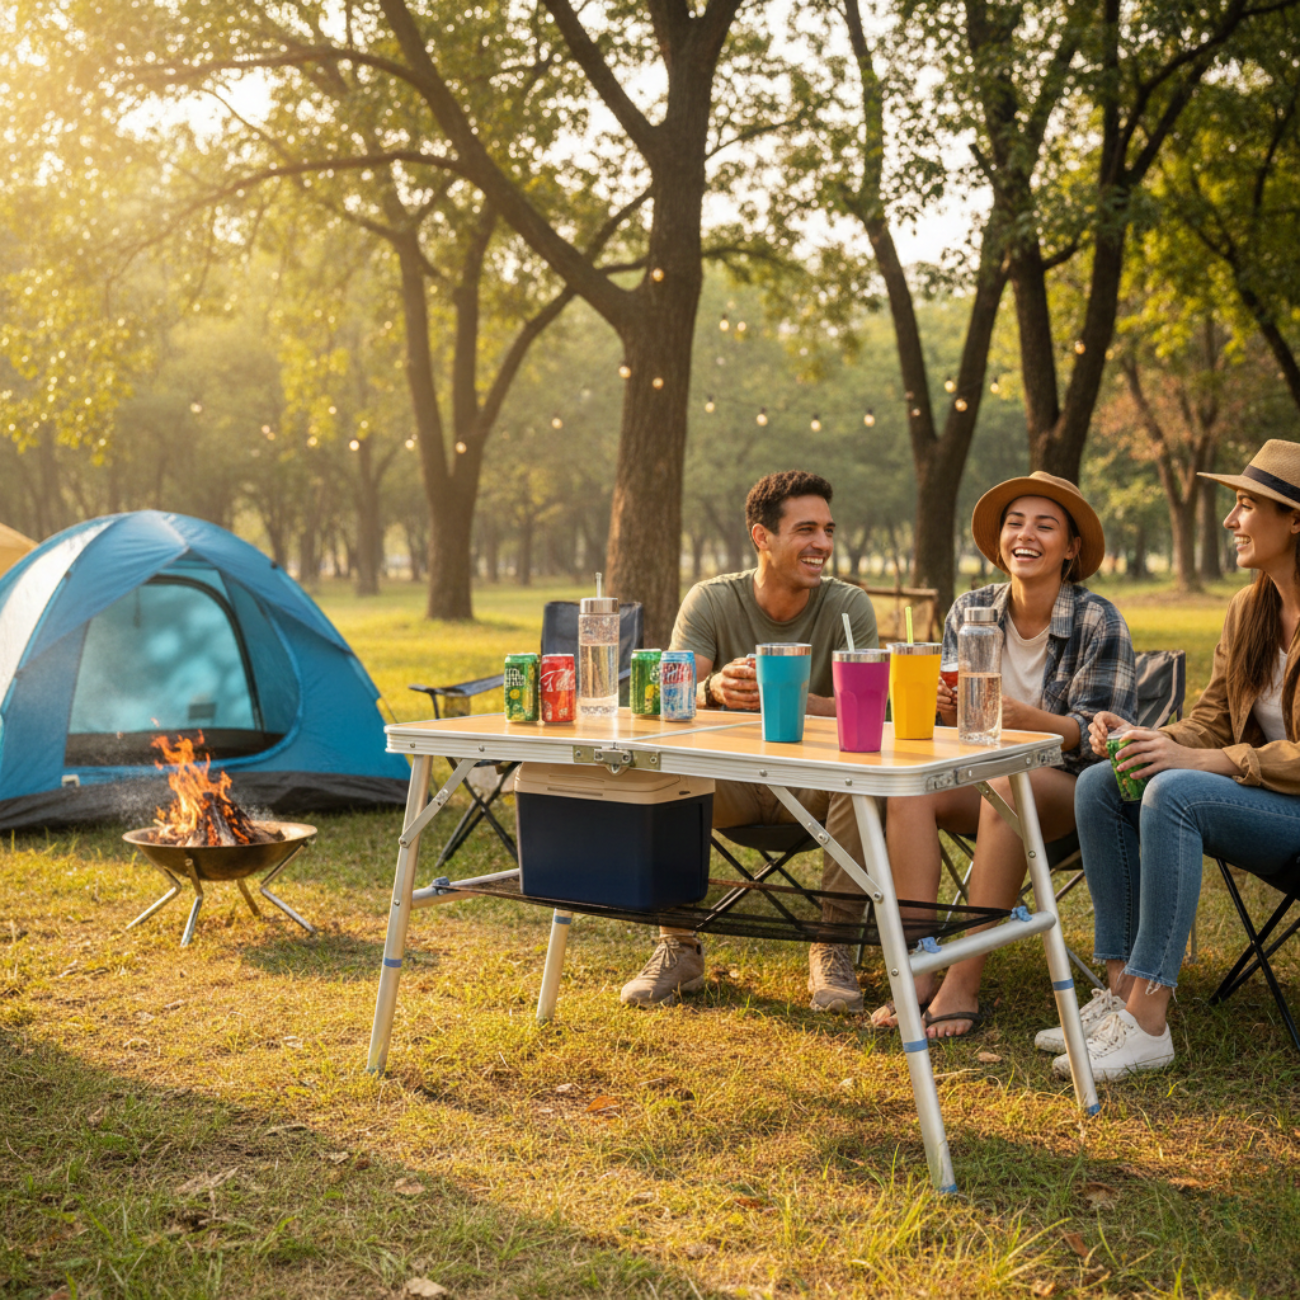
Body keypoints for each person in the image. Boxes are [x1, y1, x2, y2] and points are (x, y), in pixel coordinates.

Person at [1052, 440, 1300, 1080]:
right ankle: (1120, 1000)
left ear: (1295, 519)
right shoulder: (1250, 609)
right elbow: (1213, 721)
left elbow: (1224, 753)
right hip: (1265, 804)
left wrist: (1217, 762)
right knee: (1107, 782)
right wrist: (1142, 737)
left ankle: (1151, 1017)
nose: (1230, 520)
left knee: (1175, 793)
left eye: (1246, 506)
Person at [872, 471, 1136, 1038]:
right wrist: (944, 707)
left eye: (1045, 526)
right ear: (998, 542)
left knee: (1006, 789)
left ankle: (963, 981)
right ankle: (918, 965)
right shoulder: (971, 610)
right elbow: (954, 722)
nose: (1026, 535)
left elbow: (1103, 735)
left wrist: (1030, 722)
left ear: (1071, 548)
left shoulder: (1098, 619)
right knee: (909, 788)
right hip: (979, 774)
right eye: (1015, 523)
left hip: (1069, 786)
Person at [619, 470, 879, 1011]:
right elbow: (675, 697)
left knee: (862, 780)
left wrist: (796, 700)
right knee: (665, 770)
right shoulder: (712, 601)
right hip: (732, 785)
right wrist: (715, 689)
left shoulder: (848, 607)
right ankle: (678, 946)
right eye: (806, 530)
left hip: (817, 788)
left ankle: (834, 946)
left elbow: (875, 711)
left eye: (828, 530)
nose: (823, 545)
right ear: (762, 537)